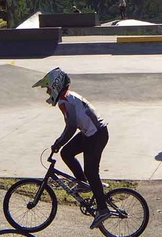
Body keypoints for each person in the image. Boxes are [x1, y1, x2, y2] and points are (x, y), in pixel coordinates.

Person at [32, 67, 111, 228]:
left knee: (91, 171)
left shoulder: (64, 101)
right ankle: (83, 183)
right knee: (67, 153)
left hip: (96, 135)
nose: (47, 92)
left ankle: (103, 209)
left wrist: (58, 142)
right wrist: (60, 143)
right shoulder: (68, 97)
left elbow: (71, 126)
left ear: (56, 86)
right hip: (92, 133)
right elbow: (72, 125)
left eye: (48, 88)